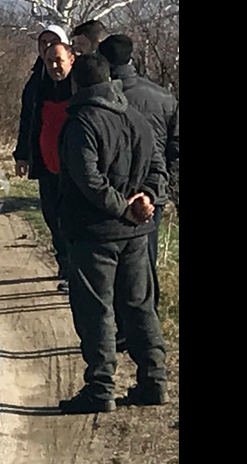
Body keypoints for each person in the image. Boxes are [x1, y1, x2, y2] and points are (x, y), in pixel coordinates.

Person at [56, 52, 169, 414]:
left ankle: (100, 389)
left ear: (78, 83)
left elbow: (87, 179)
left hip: (95, 233)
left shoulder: (80, 123)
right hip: (137, 232)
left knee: (97, 312)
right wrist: (146, 199)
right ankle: (154, 381)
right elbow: (157, 168)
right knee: (139, 308)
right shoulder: (136, 118)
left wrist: (123, 206)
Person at [97, 34, 179, 343]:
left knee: (116, 266)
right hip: (152, 194)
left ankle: (122, 330)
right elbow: (175, 146)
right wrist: (160, 183)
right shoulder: (163, 97)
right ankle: (147, 329)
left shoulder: (106, 98)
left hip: (116, 193)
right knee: (146, 263)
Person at [13, 27, 75, 292]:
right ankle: (64, 264)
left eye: (53, 43)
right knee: (52, 214)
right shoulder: (36, 81)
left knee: (71, 216)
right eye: (43, 43)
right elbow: (28, 118)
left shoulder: (78, 79)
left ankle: (74, 270)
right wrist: (22, 155)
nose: (47, 48)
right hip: (46, 159)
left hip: (75, 163)